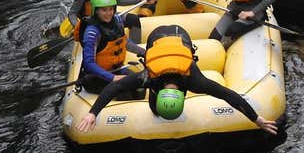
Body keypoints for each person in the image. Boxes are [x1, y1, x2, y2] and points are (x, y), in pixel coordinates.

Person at [76, 24, 278, 135]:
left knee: (155, 109)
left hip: (181, 37)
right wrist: (92, 113)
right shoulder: (154, 77)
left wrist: (256, 119)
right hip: (160, 37)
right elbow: (227, 95)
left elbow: (229, 95)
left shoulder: (193, 79)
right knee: (156, 111)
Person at [77, 0, 148, 93]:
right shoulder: (92, 33)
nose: (109, 13)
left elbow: (125, 42)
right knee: (130, 90)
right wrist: (112, 78)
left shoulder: (117, 21)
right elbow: (89, 64)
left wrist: (144, 53)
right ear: (96, 11)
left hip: (117, 70)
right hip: (97, 77)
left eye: (111, 9)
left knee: (141, 85)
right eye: (104, 10)